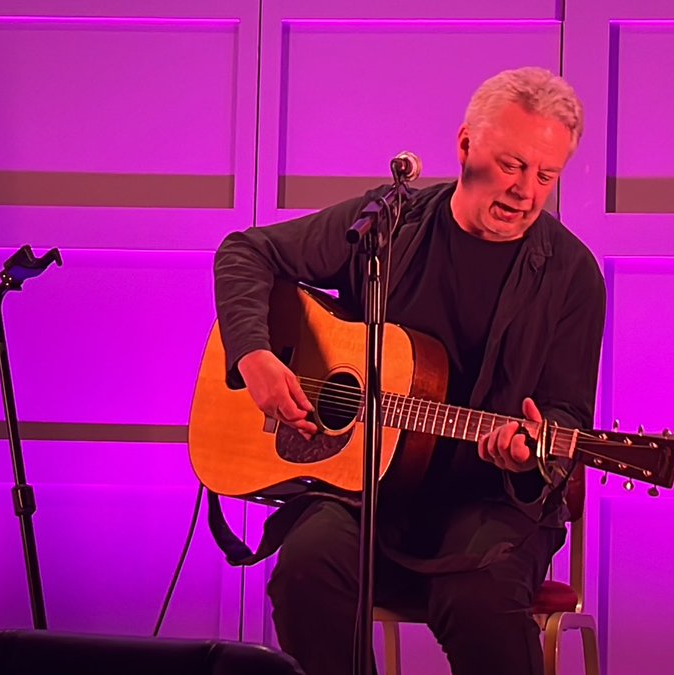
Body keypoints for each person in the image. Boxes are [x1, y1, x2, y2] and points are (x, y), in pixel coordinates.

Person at [213, 66, 605, 675]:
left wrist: (529, 448)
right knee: (305, 571)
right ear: (465, 145)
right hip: (365, 494)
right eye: (511, 164)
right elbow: (247, 251)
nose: (526, 191)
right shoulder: (388, 226)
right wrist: (254, 354)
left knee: (480, 604)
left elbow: (566, 414)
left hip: (488, 507)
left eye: (545, 174)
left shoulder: (571, 276)